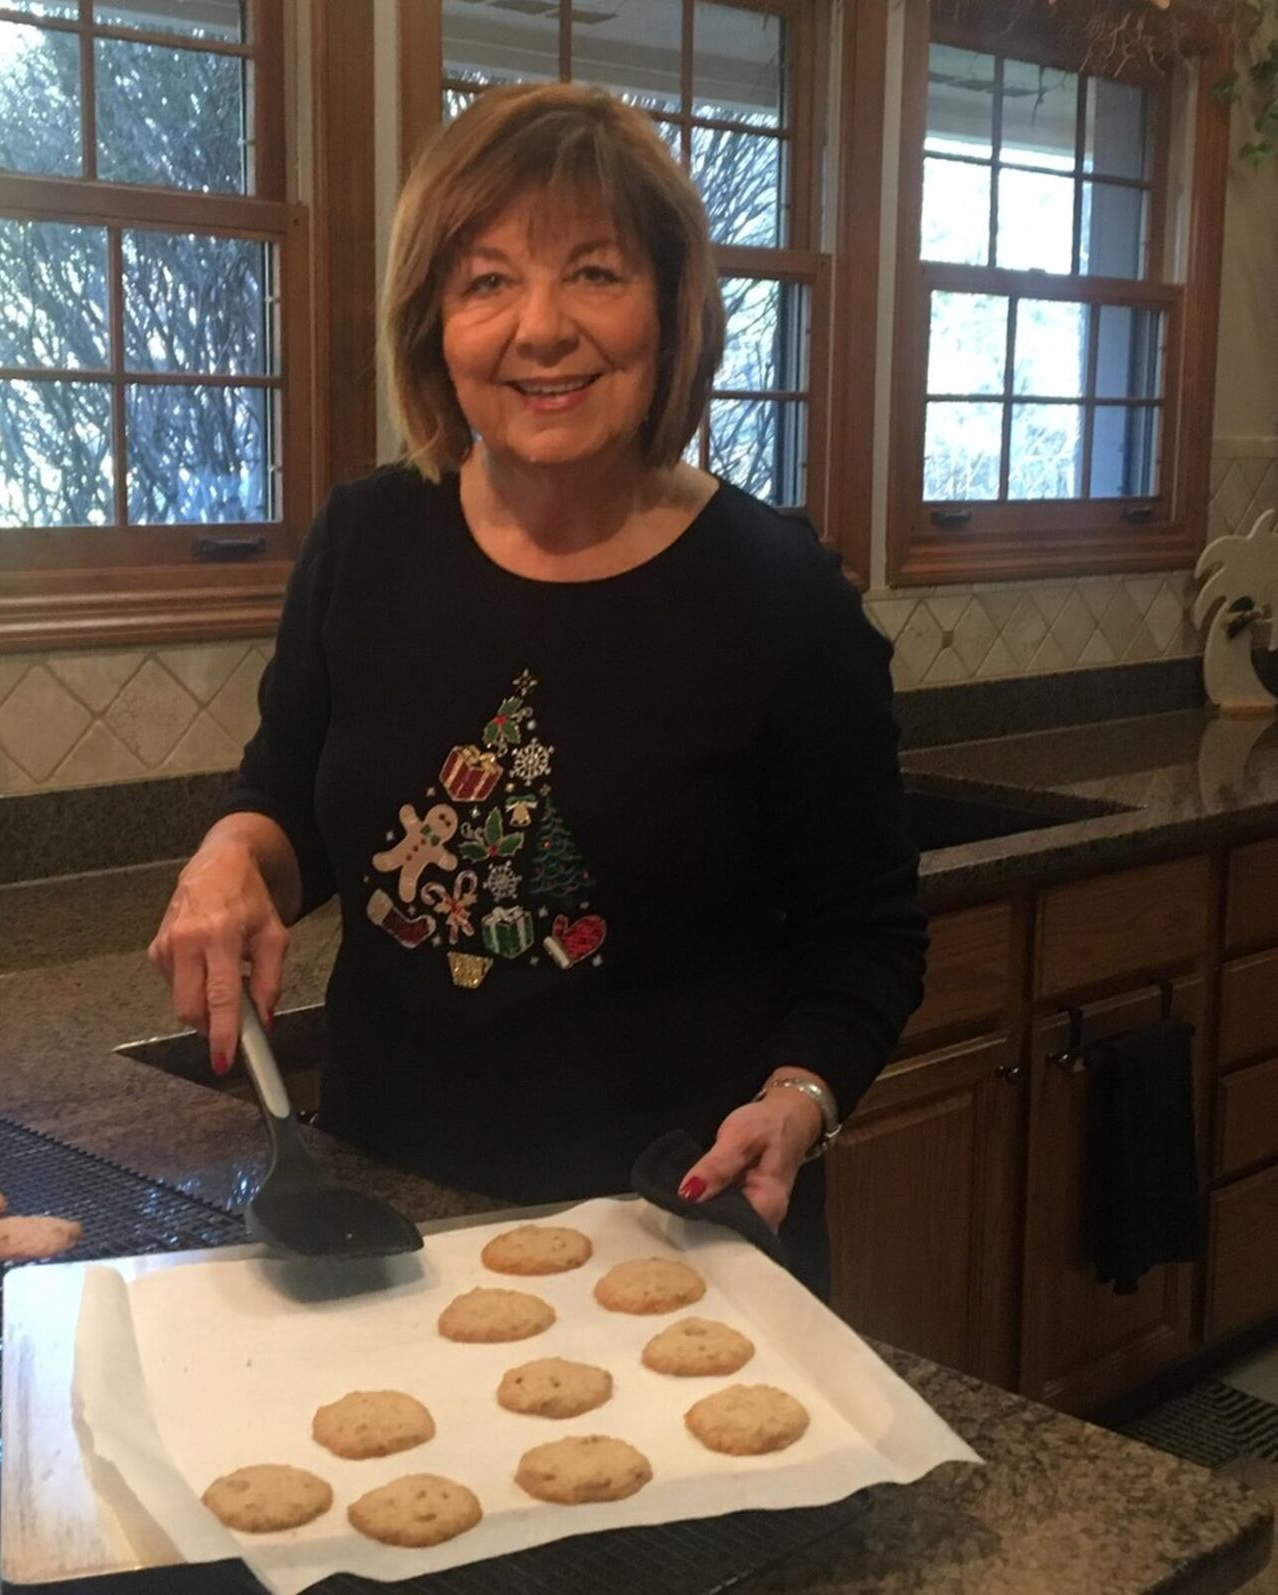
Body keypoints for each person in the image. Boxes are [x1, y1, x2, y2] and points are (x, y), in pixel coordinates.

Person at [149, 83, 927, 1297]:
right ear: (434, 326)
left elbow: (866, 931)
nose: (541, 328)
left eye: (596, 273)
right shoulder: (366, 539)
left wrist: (799, 1098)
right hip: (382, 1222)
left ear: (671, 311)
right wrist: (232, 855)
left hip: (675, 1235)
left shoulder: (782, 594)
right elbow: (289, 798)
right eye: (487, 281)